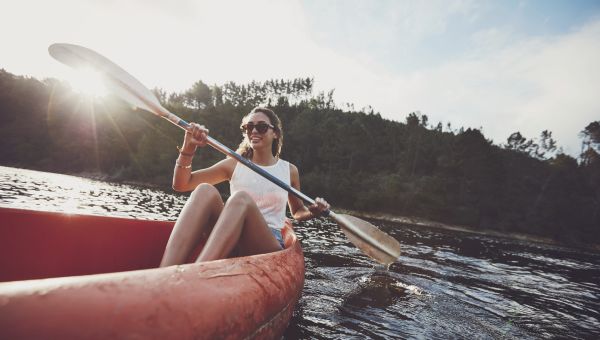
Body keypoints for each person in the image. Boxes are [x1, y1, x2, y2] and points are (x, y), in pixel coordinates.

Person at [160, 107, 330, 266]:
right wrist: (188, 146)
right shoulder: (234, 164)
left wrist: (312, 212)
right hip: (231, 236)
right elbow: (182, 184)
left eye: (261, 127)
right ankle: (164, 271)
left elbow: (297, 211)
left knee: (240, 199)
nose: (254, 131)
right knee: (205, 190)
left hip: (266, 243)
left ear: (275, 133)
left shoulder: (289, 170)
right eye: (249, 127)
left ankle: (197, 271)